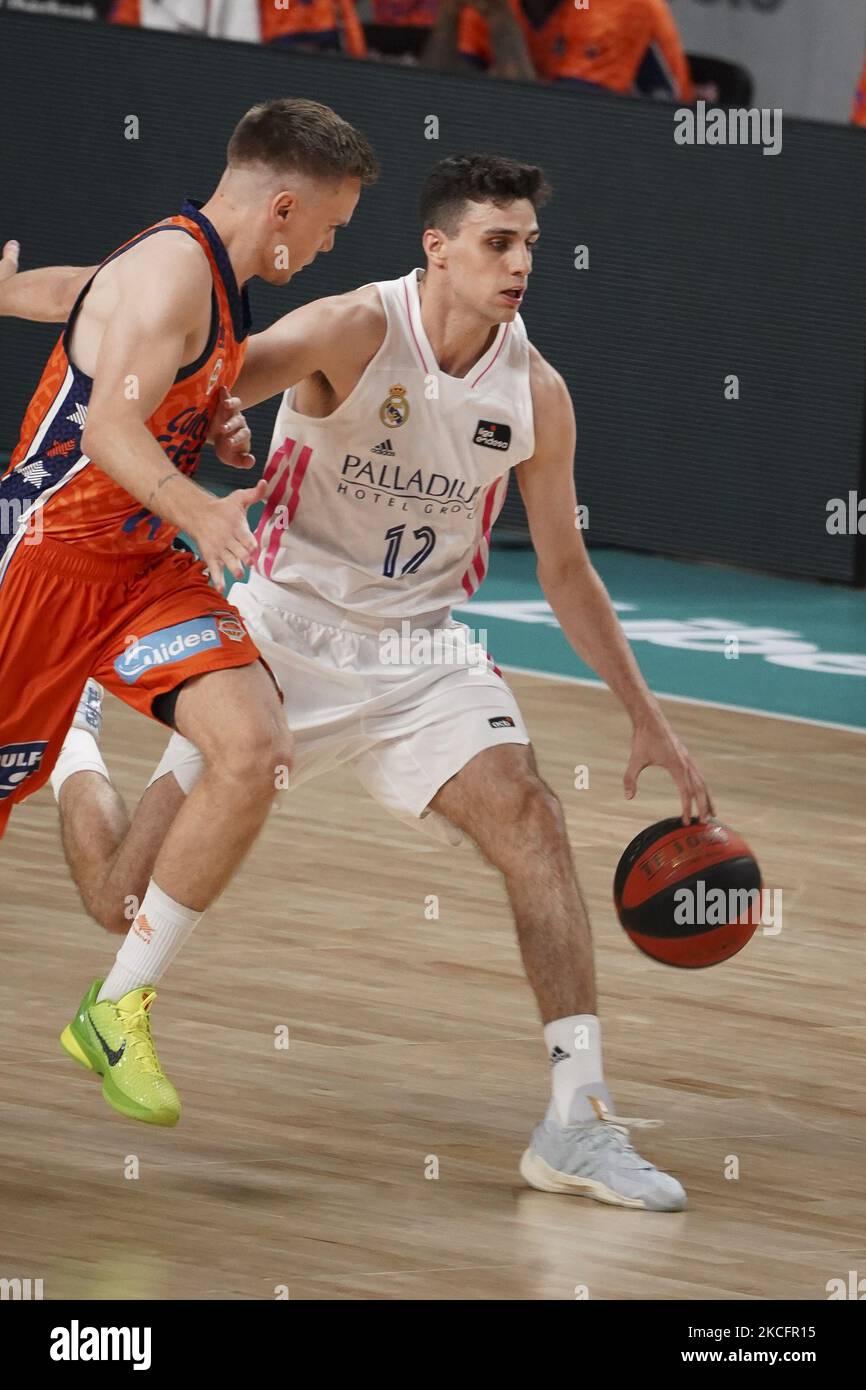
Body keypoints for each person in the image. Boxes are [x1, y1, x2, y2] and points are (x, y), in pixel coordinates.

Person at [2, 153, 711, 1210]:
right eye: (495, 242)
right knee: (118, 904)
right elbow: (167, 348)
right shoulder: (351, 327)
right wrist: (213, 419)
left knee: (528, 815)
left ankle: (576, 1119)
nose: (519, 263)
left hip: (417, 652)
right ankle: (78, 752)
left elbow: (565, 569)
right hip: (278, 630)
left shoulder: (536, 394)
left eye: (528, 245)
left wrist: (646, 718)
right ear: (436, 248)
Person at [0, 97, 378, 1128]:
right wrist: (196, 501)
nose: (334, 241)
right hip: (43, 564)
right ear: (287, 205)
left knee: (253, 748)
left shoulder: (204, 275)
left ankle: (115, 1006)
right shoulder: (173, 270)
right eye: (334, 224)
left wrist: (204, 422)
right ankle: (71, 728)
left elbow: (83, 295)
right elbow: (112, 422)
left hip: (136, 572)